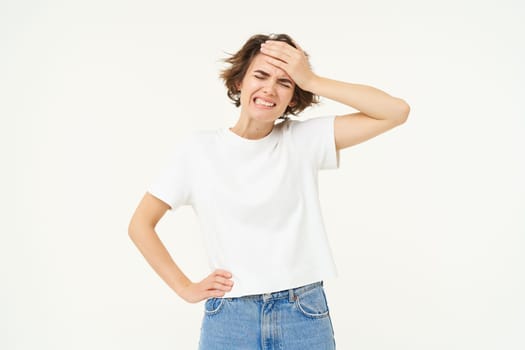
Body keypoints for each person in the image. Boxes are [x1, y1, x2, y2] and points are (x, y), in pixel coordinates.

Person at [128, 33, 409, 349]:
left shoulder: (302, 141)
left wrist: (311, 79)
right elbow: (140, 225)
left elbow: (395, 111)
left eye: (285, 83)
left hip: (302, 312)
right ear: (239, 83)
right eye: (260, 76)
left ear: (293, 97)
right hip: (230, 317)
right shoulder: (197, 151)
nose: (269, 89)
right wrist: (184, 287)